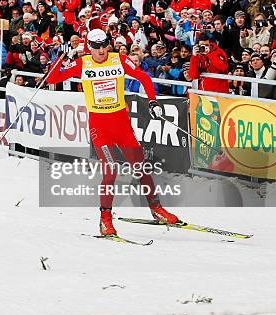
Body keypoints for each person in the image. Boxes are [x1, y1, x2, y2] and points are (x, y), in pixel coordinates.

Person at [46, 29, 179, 236]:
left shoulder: (120, 60)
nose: (101, 50)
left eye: (104, 44)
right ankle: (105, 220)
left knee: (140, 166)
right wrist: (61, 58)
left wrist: (153, 101)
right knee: (111, 170)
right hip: (100, 126)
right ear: (89, 46)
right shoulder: (83, 64)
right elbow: (52, 79)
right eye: (96, 46)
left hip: (121, 124)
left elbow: (143, 77)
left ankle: (157, 209)